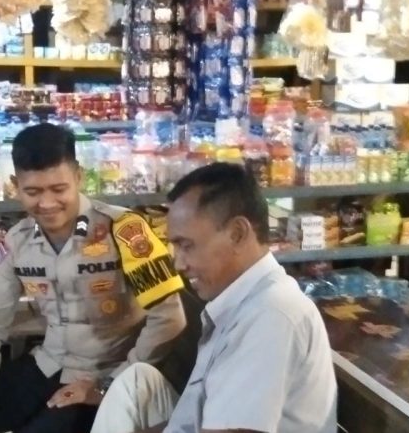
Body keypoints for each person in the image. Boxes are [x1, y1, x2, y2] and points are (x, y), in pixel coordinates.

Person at [0, 123, 188, 433]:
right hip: (48, 364)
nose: (46, 204)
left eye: (59, 190)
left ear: (79, 177)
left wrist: (106, 387)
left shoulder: (126, 230)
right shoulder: (16, 242)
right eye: (33, 192)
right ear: (15, 185)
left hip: (108, 372)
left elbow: (169, 318)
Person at [90, 163, 338, 433]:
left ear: (237, 234)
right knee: (138, 381)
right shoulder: (242, 302)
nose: (178, 264)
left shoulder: (270, 316)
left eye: (186, 246)